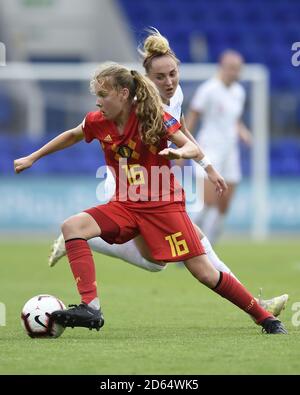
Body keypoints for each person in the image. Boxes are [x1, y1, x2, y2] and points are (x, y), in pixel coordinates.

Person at [14, 62, 287, 334]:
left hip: (164, 207)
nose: (97, 102)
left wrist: (181, 153)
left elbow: (190, 144)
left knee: (202, 270)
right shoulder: (98, 121)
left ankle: (264, 318)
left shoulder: (152, 116)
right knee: (72, 226)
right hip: (124, 205)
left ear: (122, 93)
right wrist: (33, 157)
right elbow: (72, 135)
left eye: (102, 95)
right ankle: (91, 307)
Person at [185, 49, 252, 245]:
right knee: (207, 202)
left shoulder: (239, 92)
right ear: (222, 67)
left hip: (230, 152)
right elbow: (193, 116)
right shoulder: (209, 90)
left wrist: (243, 132)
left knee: (224, 206)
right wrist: (183, 146)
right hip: (209, 150)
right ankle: (189, 242)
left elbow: (234, 119)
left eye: (238, 69)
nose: (235, 73)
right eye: (232, 68)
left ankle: (208, 245)